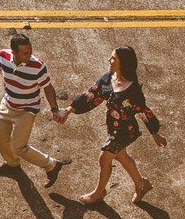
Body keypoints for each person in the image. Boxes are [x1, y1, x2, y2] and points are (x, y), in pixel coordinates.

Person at [57, 46, 168, 204]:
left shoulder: (133, 89)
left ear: (122, 63)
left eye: (113, 58)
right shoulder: (109, 78)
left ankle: (99, 192)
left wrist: (155, 134)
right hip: (113, 128)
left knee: (104, 158)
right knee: (122, 156)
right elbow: (90, 94)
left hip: (125, 132)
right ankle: (141, 184)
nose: (109, 61)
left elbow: (144, 111)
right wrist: (68, 111)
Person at [0, 33, 70, 187]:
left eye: (30, 51)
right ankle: (12, 165)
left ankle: (52, 165)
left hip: (27, 110)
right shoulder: (3, 56)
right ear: (14, 52)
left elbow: (48, 87)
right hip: (7, 103)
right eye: (25, 53)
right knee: (0, 137)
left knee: (19, 147)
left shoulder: (38, 66)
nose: (29, 55)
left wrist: (54, 109)